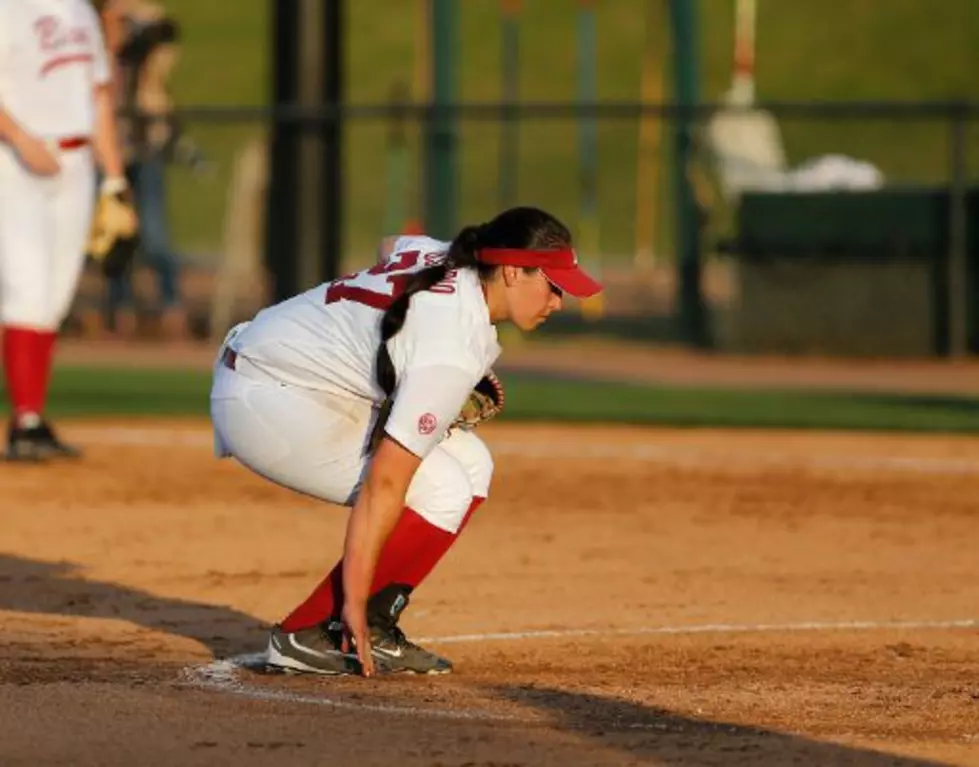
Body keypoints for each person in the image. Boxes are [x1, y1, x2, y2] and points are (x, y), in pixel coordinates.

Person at [210, 206, 602, 677]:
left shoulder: (446, 254)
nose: (559, 301)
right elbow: (385, 486)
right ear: (514, 272)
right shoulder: (452, 348)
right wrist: (353, 597)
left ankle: (367, 624)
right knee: (443, 489)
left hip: (285, 372)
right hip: (268, 398)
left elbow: (394, 247)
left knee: (472, 465)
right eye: (554, 286)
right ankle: (313, 630)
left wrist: (388, 355)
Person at [0, 0, 129, 460]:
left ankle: (30, 418)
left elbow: (98, 96)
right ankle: (26, 422)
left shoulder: (79, 11)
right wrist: (20, 139)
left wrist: (115, 179)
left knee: (54, 295)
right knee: (27, 289)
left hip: (76, 163)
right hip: (16, 161)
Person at [97, 0, 193, 340]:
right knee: (115, 235)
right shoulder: (95, 50)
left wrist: (127, 10)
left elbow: (166, 28)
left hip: (143, 147)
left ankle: (171, 306)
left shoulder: (146, 52)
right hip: (109, 152)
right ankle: (117, 311)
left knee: (155, 233)